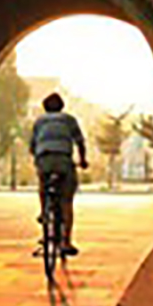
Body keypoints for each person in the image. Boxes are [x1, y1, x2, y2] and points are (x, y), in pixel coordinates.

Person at [30, 92, 88, 256]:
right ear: (62, 106)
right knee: (66, 201)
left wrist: (38, 158)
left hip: (44, 158)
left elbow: (33, 145)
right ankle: (66, 242)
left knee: (43, 182)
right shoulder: (68, 120)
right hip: (63, 159)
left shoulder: (39, 121)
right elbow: (79, 141)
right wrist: (83, 160)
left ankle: (44, 211)